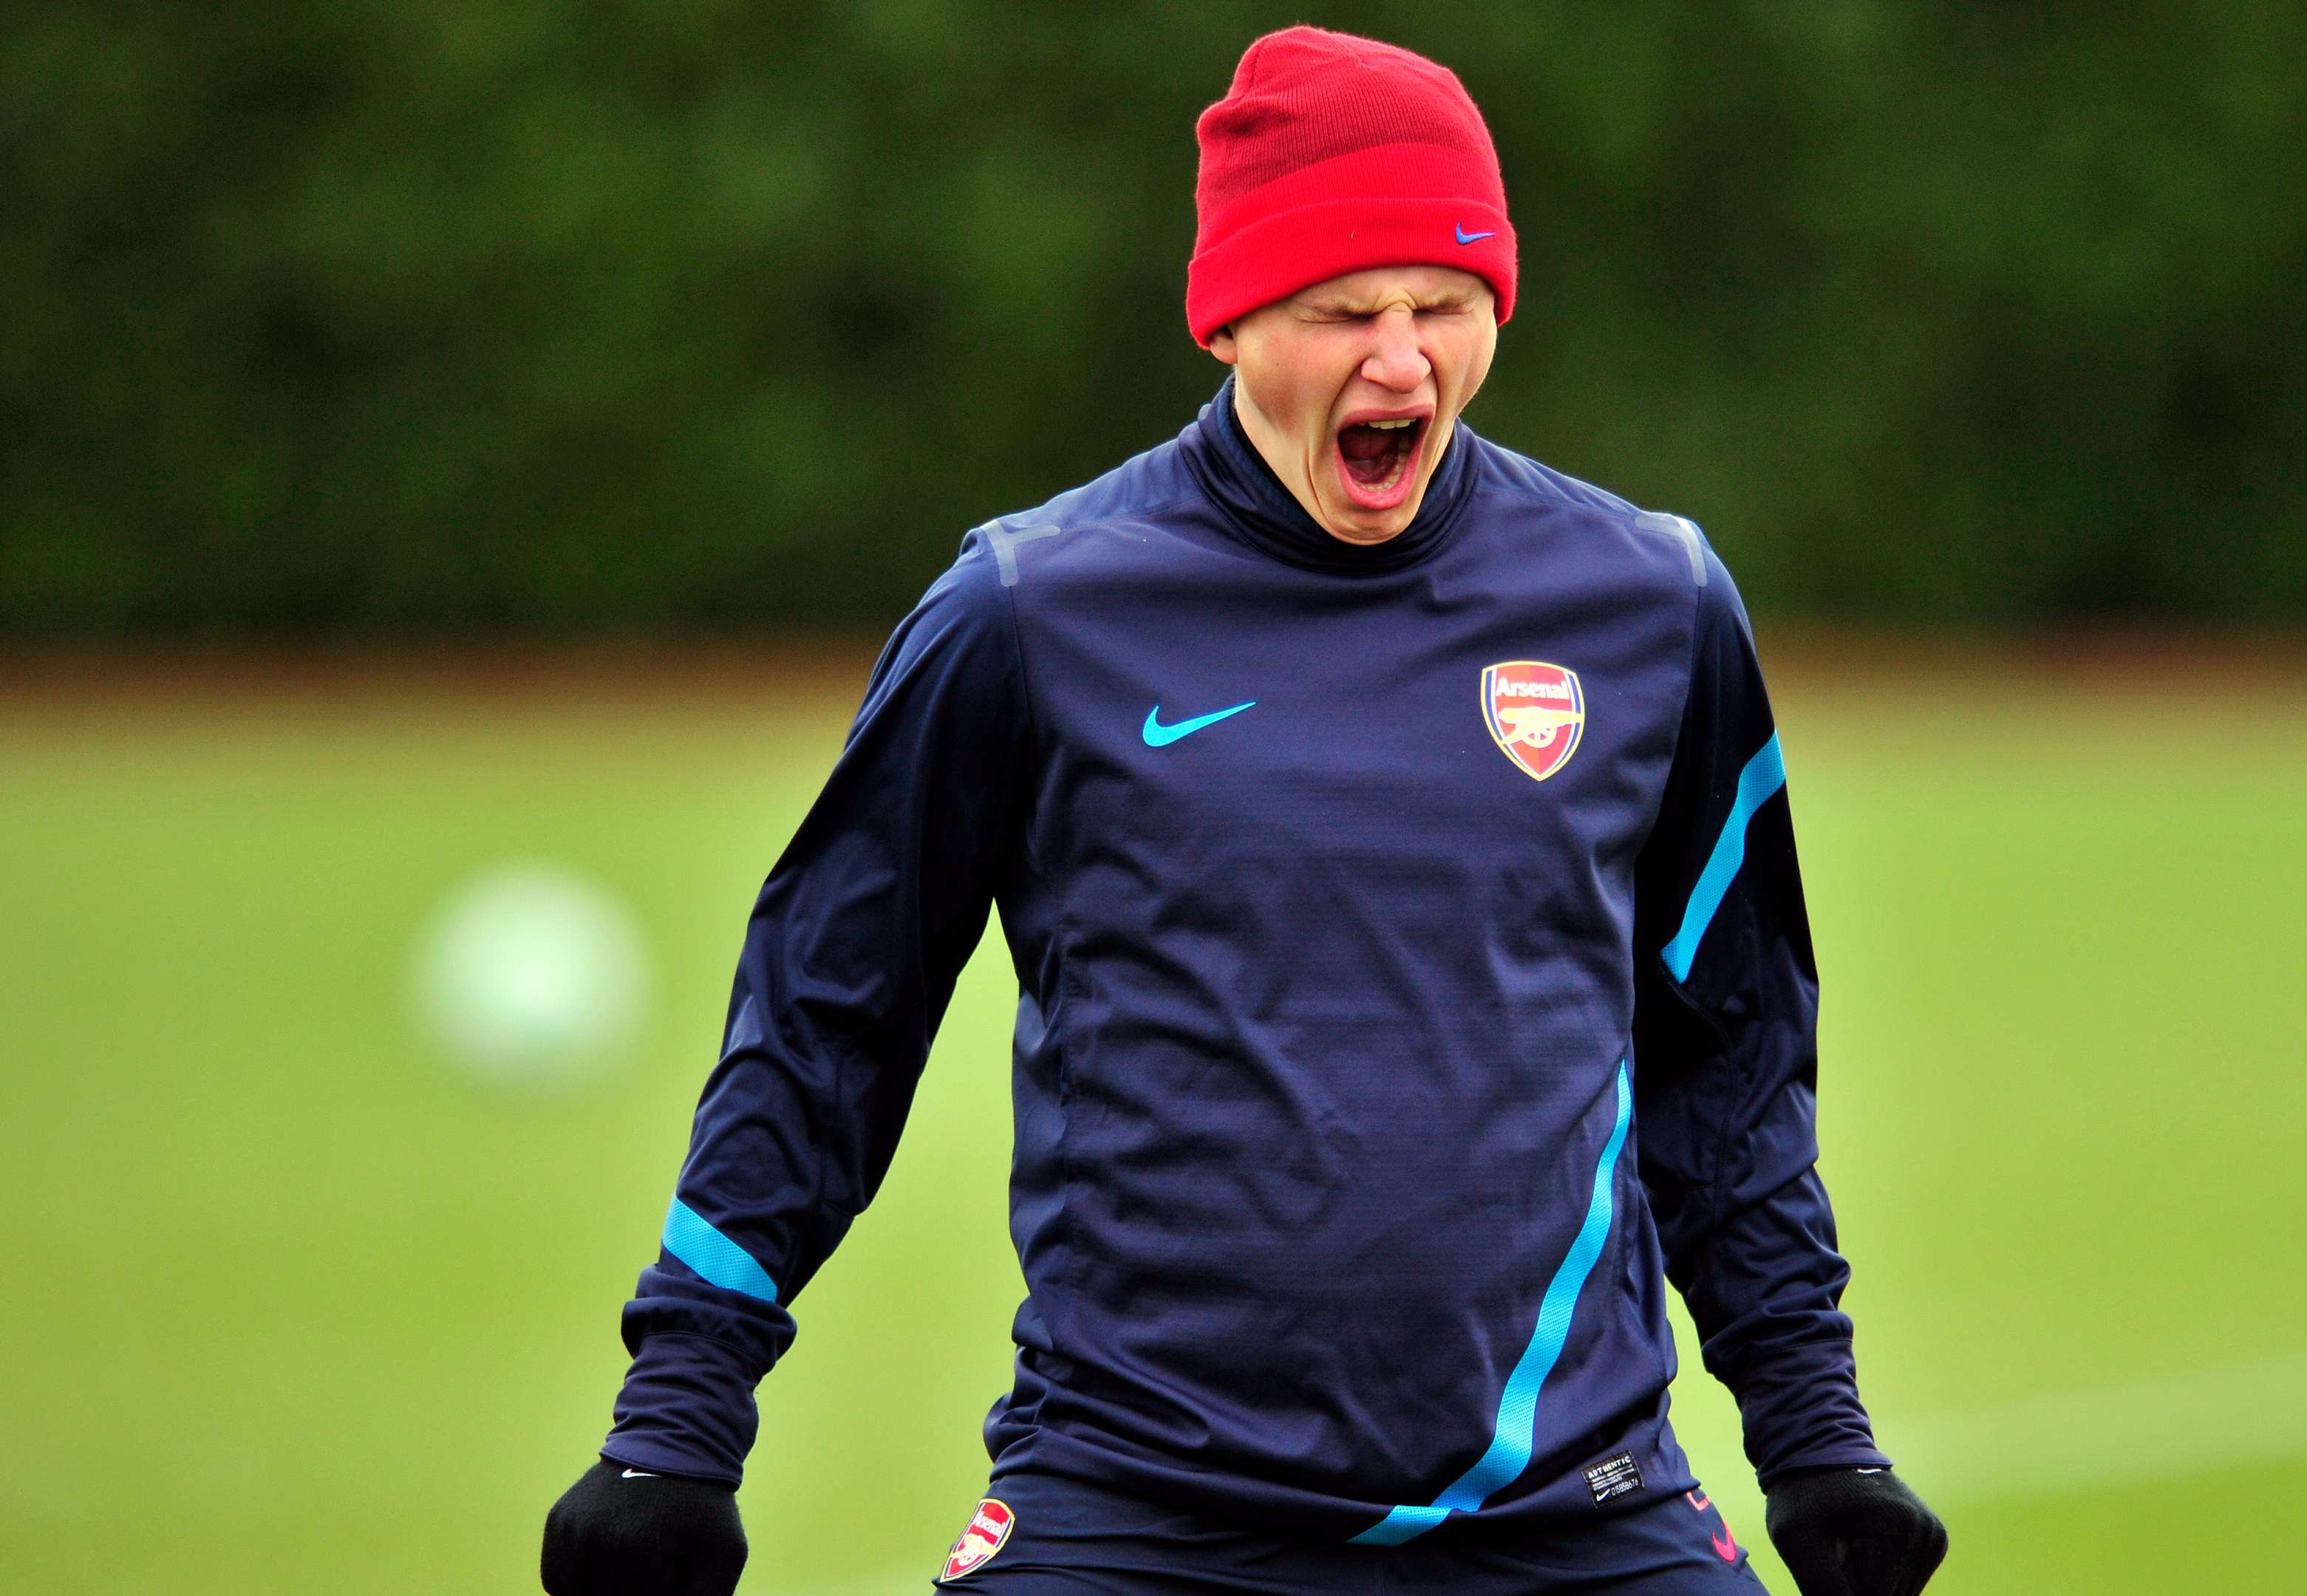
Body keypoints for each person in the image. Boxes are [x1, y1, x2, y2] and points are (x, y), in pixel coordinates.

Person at [542, 25, 1945, 1596]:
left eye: (1448, 305)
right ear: (1231, 321)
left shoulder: (1652, 604)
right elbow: (827, 1022)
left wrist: (1816, 1432)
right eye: (1348, 311)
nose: (1403, 360)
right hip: (1135, 1513)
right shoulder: (1030, 610)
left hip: (1577, 1512)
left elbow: (1732, 1063)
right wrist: (678, 1418)